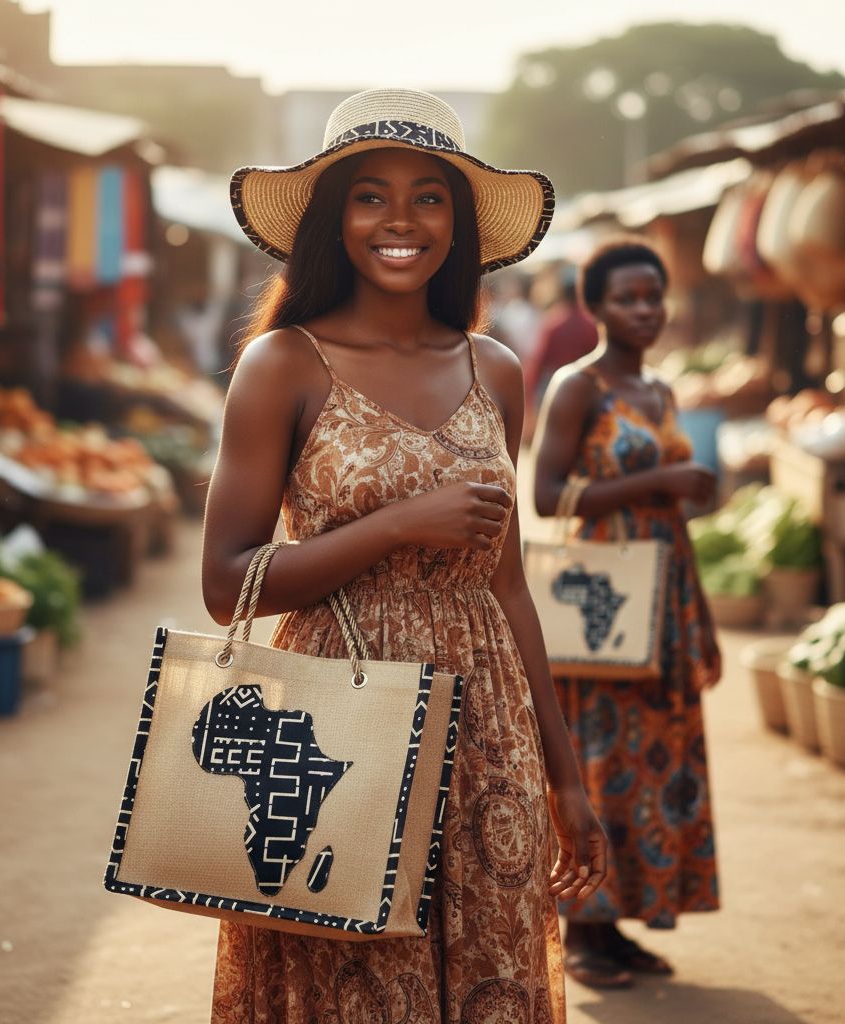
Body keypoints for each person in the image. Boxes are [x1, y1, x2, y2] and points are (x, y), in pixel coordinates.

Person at [201, 89, 608, 1023]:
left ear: (458, 225)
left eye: (429, 197)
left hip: (486, 733)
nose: (399, 221)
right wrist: (397, 524)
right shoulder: (284, 365)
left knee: (487, 976)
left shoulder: (495, 368)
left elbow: (509, 588)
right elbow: (228, 586)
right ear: (335, 220)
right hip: (338, 728)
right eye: (369, 196)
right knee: (354, 989)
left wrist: (565, 775)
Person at [532, 238, 721, 990]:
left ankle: (622, 926)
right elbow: (548, 497)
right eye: (627, 298)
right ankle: (583, 929)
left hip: (669, 594)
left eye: (653, 297)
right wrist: (662, 479)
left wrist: (701, 616)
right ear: (596, 307)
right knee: (602, 757)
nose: (644, 310)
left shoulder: (663, 392)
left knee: (659, 759)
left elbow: (677, 517)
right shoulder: (578, 387)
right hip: (604, 602)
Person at [524, 270, 599, 411]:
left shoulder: (554, 322)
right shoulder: (591, 324)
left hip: (555, 387)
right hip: (586, 390)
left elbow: (539, 360)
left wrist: (530, 392)